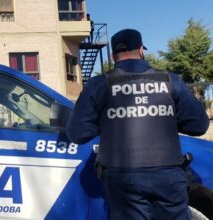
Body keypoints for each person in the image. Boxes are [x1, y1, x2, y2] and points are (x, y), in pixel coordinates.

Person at [66, 29, 209, 220]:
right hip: (169, 177)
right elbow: (198, 126)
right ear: (141, 50)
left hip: (122, 180)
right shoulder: (169, 81)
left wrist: (108, 121)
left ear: (113, 56)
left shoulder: (99, 84)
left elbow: (77, 133)